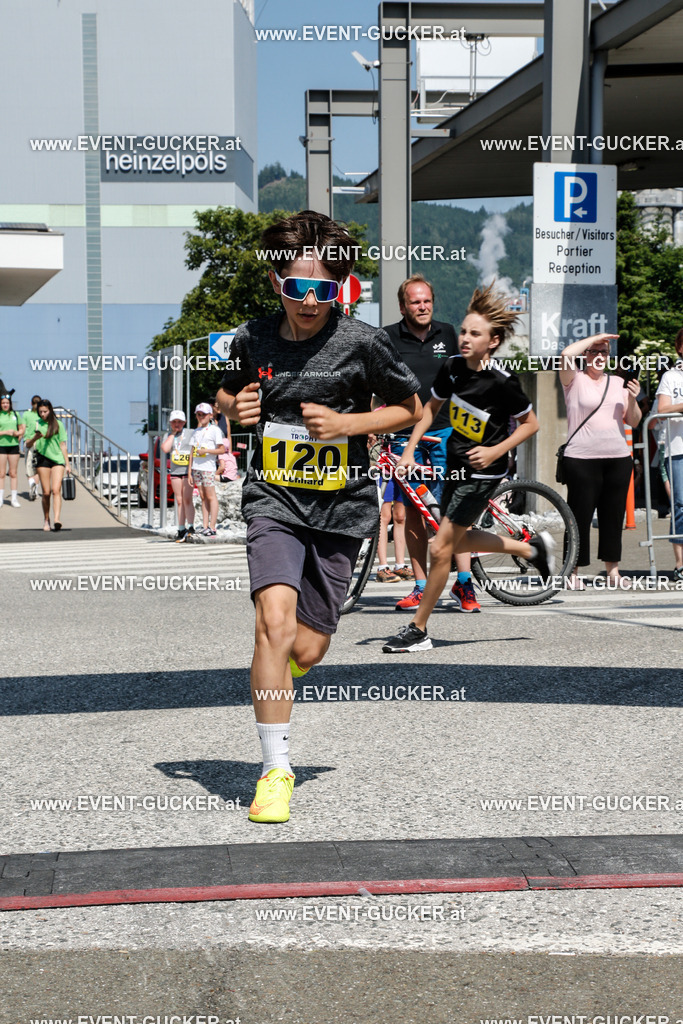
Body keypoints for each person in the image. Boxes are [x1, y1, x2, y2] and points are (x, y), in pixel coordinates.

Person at [216, 209, 421, 824]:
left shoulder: (362, 341)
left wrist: (348, 424)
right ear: (276, 281)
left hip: (341, 505)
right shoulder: (252, 338)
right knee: (272, 624)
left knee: (308, 645)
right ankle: (275, 769)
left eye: (323, 290)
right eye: (298, 287)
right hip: (273, 499)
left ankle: (284, 669)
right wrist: (234, 407)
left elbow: (410, 408)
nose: (309, 301)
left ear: (341, 287)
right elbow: (225, 391)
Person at [382, 283, 554, 653]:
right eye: (463, 331)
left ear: (492, 341)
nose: (464, 338)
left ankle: (418, 629)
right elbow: (430, 409)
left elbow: (531, 425)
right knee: (456, 540)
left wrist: (494, 452)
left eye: (475, 334)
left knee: (441, 547)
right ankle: (531, 550)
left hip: (482, 474)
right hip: (456, 466)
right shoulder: (453, 367)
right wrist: (409, 450)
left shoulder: (502, 382)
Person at [383, 274, 481, 612]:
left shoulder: (448, 333)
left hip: (446, 431)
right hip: (403, 434)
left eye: (427, 301)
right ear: (403, 307)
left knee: (454, 508)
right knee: (412, 511)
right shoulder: (387, 337)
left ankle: (464, 584)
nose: (423, 307)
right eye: (415, 302)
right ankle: (422, 586)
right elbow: (375, 382)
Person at [558, 333, 641, 587]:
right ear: (585, 355)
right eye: (593, 351)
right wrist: (598, 338)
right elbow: (566, 354)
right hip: (581, 459)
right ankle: (571, 572)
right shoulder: (574, 379)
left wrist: (633, 398)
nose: (598, 356)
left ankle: (613, 572)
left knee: (612, 517)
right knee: (578, 517)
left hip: (617, 458)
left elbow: (633, 420)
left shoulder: (617, 382)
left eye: (603, 352)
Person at [654, 329, 683, 582]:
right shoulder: (671, 376)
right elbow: (661, 409)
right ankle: (680, 564)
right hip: (678, 448)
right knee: (681, 505)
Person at [24, 399, 71, 531]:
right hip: (42, 459)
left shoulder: (58, 424)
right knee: (46, 492)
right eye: (40, 412)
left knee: (56, 490)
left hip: (57, 459)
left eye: (45, 411)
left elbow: (63, 444)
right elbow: (27, 444)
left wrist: (67, 464)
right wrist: (35, 438)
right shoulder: (36, 424)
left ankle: (57, 519)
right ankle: (46, 519)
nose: (43, 414)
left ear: (50, 410)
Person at [187, 402, 225, 537]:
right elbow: (191, 452)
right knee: (203, 496)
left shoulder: (215, 430)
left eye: (203, 414)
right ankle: (205, 525)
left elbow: (222, 449)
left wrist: (207, 451)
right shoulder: (196, 431)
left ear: (210, 415)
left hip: (208, 468)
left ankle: (212, 526)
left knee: (210, 496)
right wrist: (189, 472)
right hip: (196, 467)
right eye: (199, 414)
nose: (201, 417)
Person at [160, 410, 195, 542]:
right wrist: (173, 435)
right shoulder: (168, 435)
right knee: (179, 500)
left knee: (187, 499)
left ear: (184, 422)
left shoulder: (190, 433)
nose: (177, 424)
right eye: (174, 422)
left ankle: (190, 526)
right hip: (175, 471)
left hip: (188, 471)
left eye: (179, 422)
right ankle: (181, 528)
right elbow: (165, 449)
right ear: (170, 423)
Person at [375, 477, 410, 582]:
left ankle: (400, 565)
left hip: (401, 472)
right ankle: (382, 567)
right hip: (384, 471)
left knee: (400, 517)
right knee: (384, 516)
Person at [0, 393, 25, 507]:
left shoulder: (15, 414)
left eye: (7, 403)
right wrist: (6, 432)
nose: (5, 405)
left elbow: (21, 429)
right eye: (3, 403)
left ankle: (14, 499)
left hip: (13, 445)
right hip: (1, 445)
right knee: (1, 473)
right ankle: (0, 498)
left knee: (13, 473)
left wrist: (17, 433)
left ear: (10, 404)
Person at [22, 394, 42, 500]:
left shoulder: (26, 414)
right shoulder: (41, 415)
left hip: (29, 442)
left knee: (29, 467)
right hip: (40, 443)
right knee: (37, 468)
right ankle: (36, 491)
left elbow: (23, 428)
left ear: (31, 403)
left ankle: (31, 484)